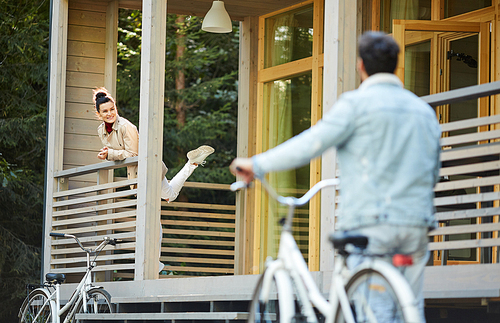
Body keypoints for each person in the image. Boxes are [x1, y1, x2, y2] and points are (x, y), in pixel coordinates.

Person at [230, 31, 441, 322]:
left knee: (376, 312)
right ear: (396, 64)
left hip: (372, 224)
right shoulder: (423, 111)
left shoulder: (355, 105)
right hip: (416, 223)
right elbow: (433, 169)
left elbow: (310, 144)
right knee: (411, 309)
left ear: (361, 65)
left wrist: (256, 164)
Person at [93, 87, 215, 272]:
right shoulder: (101, 130)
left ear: (116, 108)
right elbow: (119, 153)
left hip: (147, 171)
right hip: (137, 176)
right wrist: (109, 154)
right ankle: (192, 163)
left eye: (112, 109)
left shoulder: (126, 126)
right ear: (99, 114)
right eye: (105, 111)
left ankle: (153, 265)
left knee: (152, 218)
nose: (110, 113)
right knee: (170, 196)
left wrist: (110, 154)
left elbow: (133, 154)